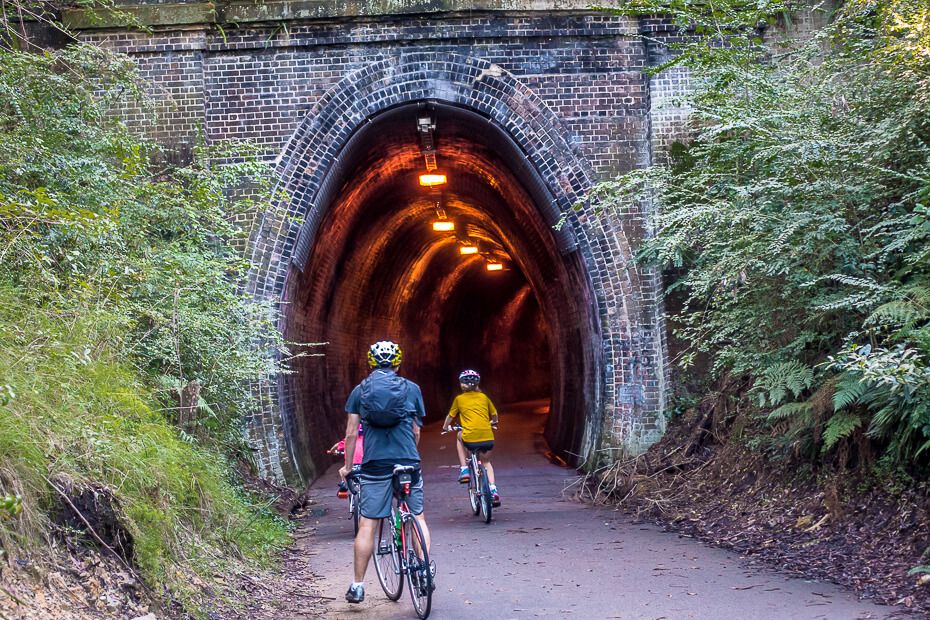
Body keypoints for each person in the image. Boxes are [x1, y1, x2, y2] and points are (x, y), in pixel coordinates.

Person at [339, 340, 433, 604]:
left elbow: (351, 434)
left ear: (370, 364)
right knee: (418, 517)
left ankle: (358, 586)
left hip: (375, 464)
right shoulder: (412, 389)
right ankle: (424, 570)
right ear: (398, 364)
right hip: (407, 461)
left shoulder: (360, 391)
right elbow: (416, 430)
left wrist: (348, 467)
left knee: (368, 523)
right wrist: (410, 454)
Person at [442, 369, 501, 506]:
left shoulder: (459, 399)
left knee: (459, 436)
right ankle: (493, 490)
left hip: (470, 437)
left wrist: (445, 427)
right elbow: (494, 414)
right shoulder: (484, 397)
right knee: (486, 462)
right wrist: (494, 422)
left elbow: (450, 416)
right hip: (487, 437)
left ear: (461, 384)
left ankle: (464, 469)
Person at [327, 424, 364, 498]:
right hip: (365, 466)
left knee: (342, 471)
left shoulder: (349, 439)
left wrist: (331, 451)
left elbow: (337, 445)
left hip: (352, 467)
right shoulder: (367, 439)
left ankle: (344, 487)